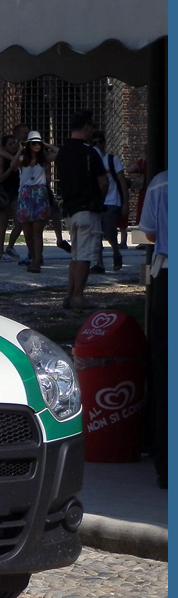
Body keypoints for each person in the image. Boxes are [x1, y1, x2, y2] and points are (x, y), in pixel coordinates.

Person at [55, 110, 107, 310]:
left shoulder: (63, 152)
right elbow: (103, 182)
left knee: (75, 255)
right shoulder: (90, 152)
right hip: (87, 207)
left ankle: (69, 295)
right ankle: (78, 296)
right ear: (86, 127)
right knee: (84, 256)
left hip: (70, 209)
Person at [138, 169, 167, 489]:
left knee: (163, 373)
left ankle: (165, 463)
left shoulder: (160, 183)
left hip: (166, 277)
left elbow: (149, 233)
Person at [13, 131, 53, 273]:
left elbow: (58, 152)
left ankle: (37, 261)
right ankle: (33, 256)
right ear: (29, 144)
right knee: (27, 231)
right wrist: (20, 149)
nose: (36, 145)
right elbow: (12, 165)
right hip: (25, 194)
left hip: (39, 194)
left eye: (38, 143)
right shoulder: (22, 160)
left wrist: (45, 144)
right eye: (34, 143)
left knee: (37, 231)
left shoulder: (44, 159)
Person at [90, 129, 128, 273]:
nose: (98, 145)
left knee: (109, 232)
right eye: (94, 143)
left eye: (100, 142)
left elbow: (122, 182)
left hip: (112, 200)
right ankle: (100, 263)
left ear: (105, 143)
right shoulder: (91, 161)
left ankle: (116, 251)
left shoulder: (112, 160)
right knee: (97, 233)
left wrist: (125, 203)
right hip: (97, 202)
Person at [0, 134, 22, 261]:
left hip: (14, 192)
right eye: (10, 144)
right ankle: (0, 252)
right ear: (5, 147)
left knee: (19, 222)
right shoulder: (1, 159)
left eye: (14, 143)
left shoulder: (17, 157)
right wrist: (11, 168)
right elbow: (0, 177)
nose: (13, 145)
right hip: (3, 192)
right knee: (3, 222)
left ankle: (10, 246)